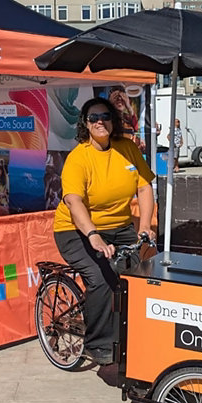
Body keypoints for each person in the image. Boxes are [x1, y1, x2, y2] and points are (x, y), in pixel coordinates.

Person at [52, 97, 155, 366]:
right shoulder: (78, 158)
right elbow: (74, 201)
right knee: (100, 277)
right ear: (85, 124)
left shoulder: (127, 149)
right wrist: (93, 235)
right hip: (76, 230)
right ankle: (96, 345)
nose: (100, 122)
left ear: (114, 120)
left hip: (119, 227)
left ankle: (132, 333)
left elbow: (144, 187)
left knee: (139, 274)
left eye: (105, 116)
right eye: (93, 118)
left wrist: (144, 226)